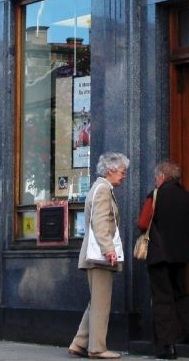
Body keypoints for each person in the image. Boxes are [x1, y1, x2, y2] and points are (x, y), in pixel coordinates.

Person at [137, 161, 189, 360]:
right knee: (181, 294)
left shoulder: (155, 195)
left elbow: (142, 223)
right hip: (181, 254)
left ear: (162, 177)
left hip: (159, 255)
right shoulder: (187, 197)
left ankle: (167, 346)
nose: (156, 181)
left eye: (157, 178)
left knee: (162, 298)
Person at [69, 152, 130, 360]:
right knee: (101, 303)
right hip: (99, 256)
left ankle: (79, 342)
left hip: (92, 254)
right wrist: (109, 249)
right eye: (123, 172)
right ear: (111, 170)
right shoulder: (103, 190)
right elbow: (101, 222)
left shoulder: (99, 188)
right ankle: (97, 348)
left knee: (96, 301)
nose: (124, 176)